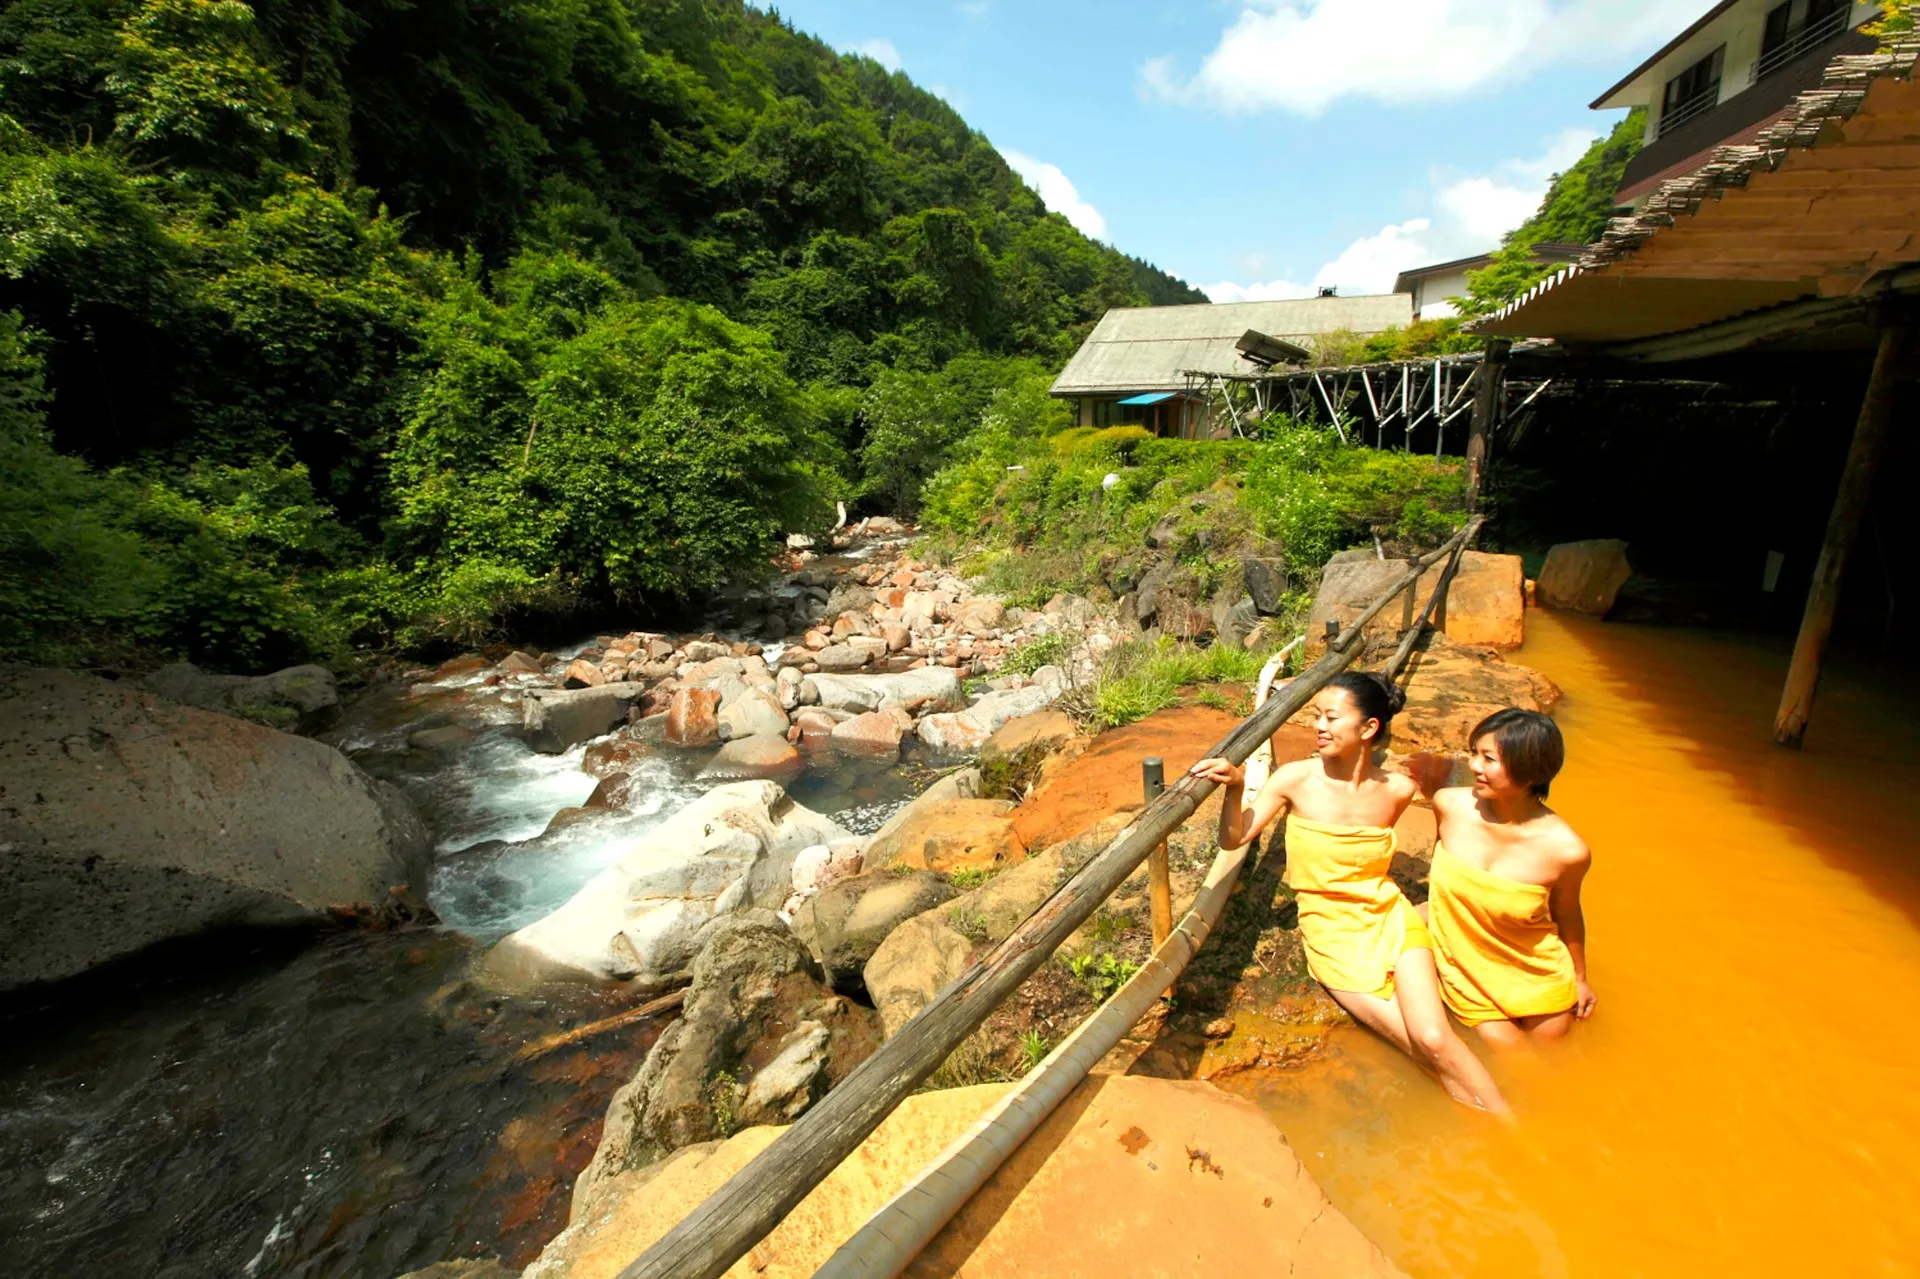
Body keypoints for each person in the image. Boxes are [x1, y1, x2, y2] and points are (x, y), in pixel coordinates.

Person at [1191, 671, 1508, 1115]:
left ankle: (1516, 1130)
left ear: (1368, 729)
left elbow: (1466, 816)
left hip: (1390, 916)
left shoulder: (1398, 790)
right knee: (1419, 1047)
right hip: (1331, 932)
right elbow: (1234, 838)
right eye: (1316, 716)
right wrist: (1237, 786)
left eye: (1331, 718)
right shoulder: (1294, 781)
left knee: (1436, 1039)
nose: (1319, 726)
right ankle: (1500, 1129)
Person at [1428, 708, 1594, 1047]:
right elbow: (1439, 884)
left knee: (1555, 1058)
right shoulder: (1448, 805)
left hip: (1536, 972)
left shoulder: (1566, 850)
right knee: (1512, 1056)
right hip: (1467, 967)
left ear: (1531, 770)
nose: (1474, 765)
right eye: (1474, 752)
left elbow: (1567, 914)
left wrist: (1580, 978)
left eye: (1489, 758)